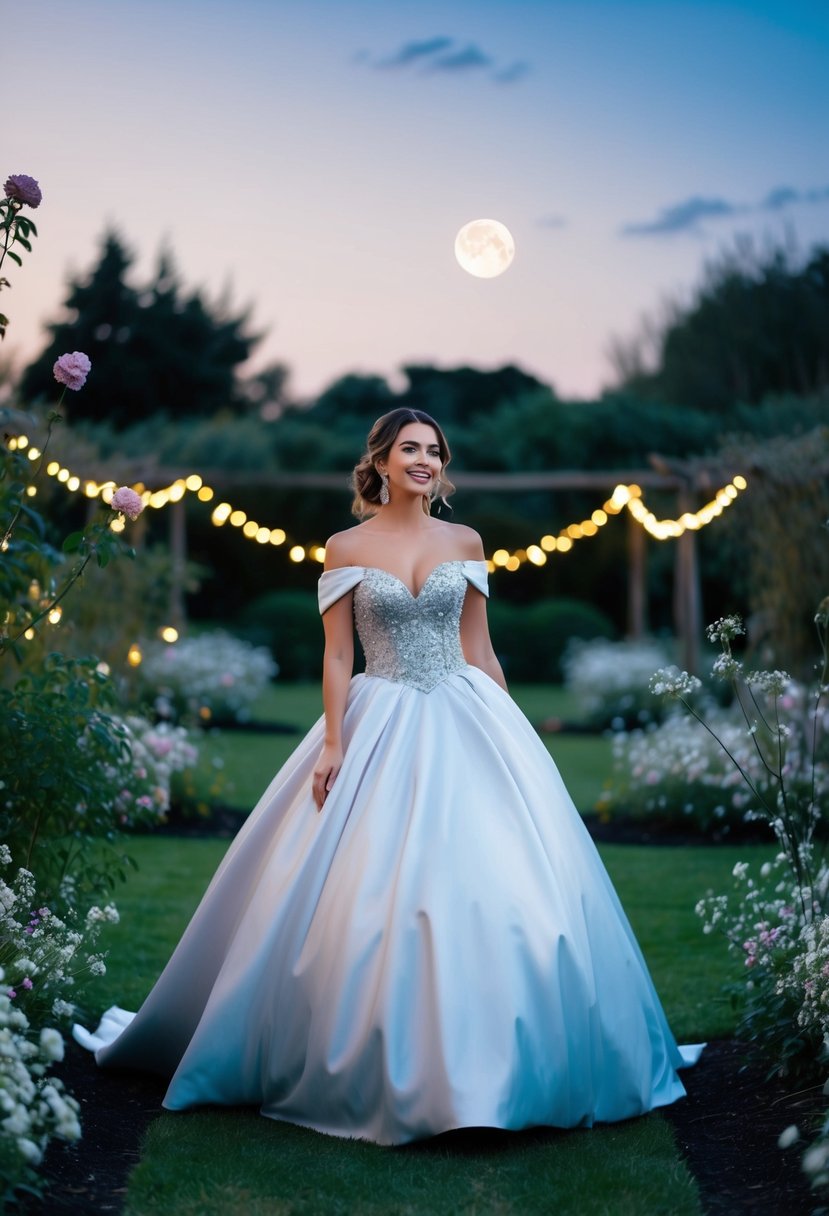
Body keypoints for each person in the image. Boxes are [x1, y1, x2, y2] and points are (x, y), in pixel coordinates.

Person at [75, 407, 702, 1146]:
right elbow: (338, 655)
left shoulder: (464, 540)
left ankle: (502, 1065)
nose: (424, 460)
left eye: (434, 450)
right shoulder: (344, 546)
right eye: (410, 449)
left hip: (465, 711)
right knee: (361, 887)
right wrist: (335, 742)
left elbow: (480, 647)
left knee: (501, 887)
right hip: (378, 715)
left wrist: (512, 734)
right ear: (378, 461)